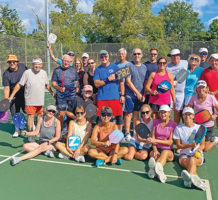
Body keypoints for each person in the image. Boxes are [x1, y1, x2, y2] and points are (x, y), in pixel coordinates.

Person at [9, 58, 54, 141]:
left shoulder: (43, 73)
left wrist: (52, 93)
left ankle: (37, 131)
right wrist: (11, 95)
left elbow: (47, 85)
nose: (37, 65)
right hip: (30, 100)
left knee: (40, 116)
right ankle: (30, 135)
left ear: (41, 65)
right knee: (31, 117)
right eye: (35, 64)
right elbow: (19, 85)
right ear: (32, 65)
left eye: (39, 64)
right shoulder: (27, 73)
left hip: (40, 101)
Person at [173, 107, 206, 191]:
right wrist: (190, 145)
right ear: (183, 116)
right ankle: (197, 180)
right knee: (191, 161)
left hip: (197, 155)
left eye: (189, 114)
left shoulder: (199, 128)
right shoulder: (178, 128)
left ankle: (189, 179)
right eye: (185, 114)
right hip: (183, 155)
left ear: (193, 116)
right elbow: (179, 146)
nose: (187, 116)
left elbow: (202, 145)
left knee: (192, 160)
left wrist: (199, 150)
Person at [94, 50, 125, 130]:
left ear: (108, 57)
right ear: (99, 58)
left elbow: (121, 83)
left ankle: (119, 136)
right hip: (102, 98)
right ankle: (100, 136)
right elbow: (96, 84)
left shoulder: (115, 67)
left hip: (115, 97)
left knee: (118, 118)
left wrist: (122, 95)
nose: (104, 58)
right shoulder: (97, 69)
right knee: (101, 118)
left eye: (105, 56)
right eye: (101, 56)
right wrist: (107, 79)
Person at [147, 105, 177, 183]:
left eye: (165, 112)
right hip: (156, 148)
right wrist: (155, 149)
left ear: (169, 113)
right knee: (154, 154)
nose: (163, 114)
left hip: (168, 150)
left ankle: (153, 169)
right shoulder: (155, 122)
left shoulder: (173, 124)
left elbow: (170, 142)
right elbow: (153, 138)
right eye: (161, 112)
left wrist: (155, 140)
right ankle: (160, 173)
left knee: (164, 153)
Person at [123, 48, 147, 142]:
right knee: (128, 114)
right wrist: (137, 93)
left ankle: (134, 134)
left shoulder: (144, 67)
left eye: (138, 53)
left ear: (142, 55)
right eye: (135, 54)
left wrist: (143, 94)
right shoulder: (128, 65)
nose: (136, 55)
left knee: (136, 115)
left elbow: (145, 82)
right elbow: (128, 82)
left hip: (140, 96)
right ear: (132, 55)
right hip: (130, 95)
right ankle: (127, 133)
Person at [188, 80, 218, 152]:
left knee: (205, 149)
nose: (201, 89)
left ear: (206, 88)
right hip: (197, 125)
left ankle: (215, 141)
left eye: (203, 87)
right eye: (199, 87)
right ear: (196, 89)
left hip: (208, 126)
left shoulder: (211, 97)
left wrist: (215, 115)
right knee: (189, 141)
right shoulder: (193, 97)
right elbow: (188, 109)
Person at [51, 55, 79, 128]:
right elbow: (53, 83)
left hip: (72, 95)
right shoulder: (57, 70)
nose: (66, 62)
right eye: (64, 61)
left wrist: (77, 92)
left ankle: (72, 128)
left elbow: (77, 82)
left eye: (68, 61)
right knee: (61, 113)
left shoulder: (73, 70)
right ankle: (59, 131)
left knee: (72, 112)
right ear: (62, 61)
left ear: (71, 62)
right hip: (61, 95)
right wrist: (59, 88)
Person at [2, 55, 27, 137]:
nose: (12, 63)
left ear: (17, 62)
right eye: (10, 62)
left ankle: (30, 127)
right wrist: (6, 100)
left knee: (27, 111)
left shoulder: (23, 67)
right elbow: (6, 88)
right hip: (13, 96)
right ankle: (17, 129)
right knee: (15, 114)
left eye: (13, 61)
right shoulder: (6, 74)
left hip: (25, 94)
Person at [166, 49, 188, 124]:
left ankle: (176, 127)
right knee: (168, 111)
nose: (175, 57)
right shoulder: (167, 66)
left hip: (181, 93)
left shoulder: (185, 63)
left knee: (178, 112)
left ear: (180, 56)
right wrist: (171, 82)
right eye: (173, 56)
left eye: (177, 55)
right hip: (170, 93)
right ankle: (167, 129)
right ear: (171, 57)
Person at [200, 53, 218, 128]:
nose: (214, 62)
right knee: (207, 118)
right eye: (212, 60)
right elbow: (202, 83)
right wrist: (207, 91)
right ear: (209, 61)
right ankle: (206, 136)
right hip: (208, 98)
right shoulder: (205, 71)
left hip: (216, 97)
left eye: (216, 60)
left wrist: (215, 92)